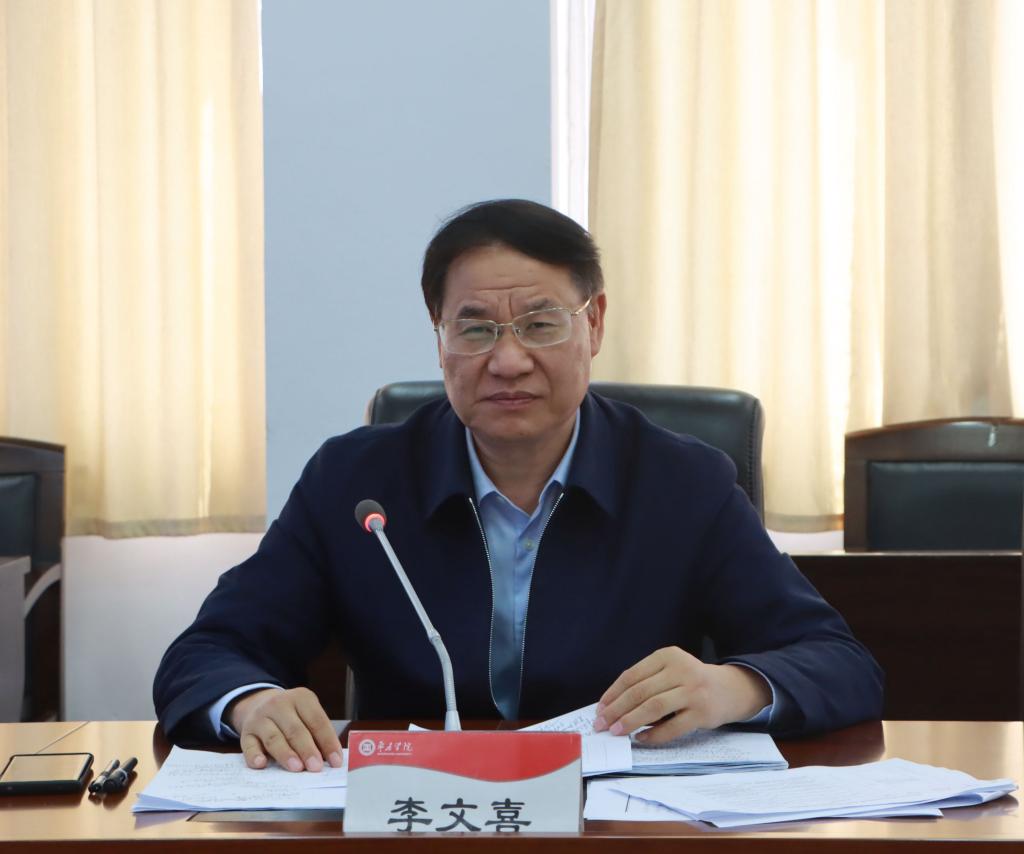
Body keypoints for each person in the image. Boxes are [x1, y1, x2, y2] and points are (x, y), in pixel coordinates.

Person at [154, 199, 883, 773]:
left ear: (594, 325)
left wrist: (731, 688)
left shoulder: (682, 482)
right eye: (474, 330)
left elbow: (839, 663)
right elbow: (207, 652)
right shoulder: (355, 483)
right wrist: (251, 703)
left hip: (615, 820)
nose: (507, 362)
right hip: (415, 818)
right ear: (439, 336)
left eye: (539, 324)